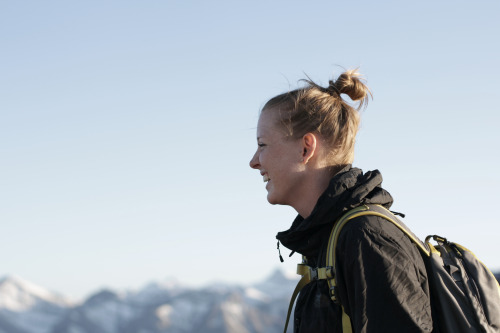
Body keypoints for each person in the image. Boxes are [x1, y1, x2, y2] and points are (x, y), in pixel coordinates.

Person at [249, 69, 433, 333]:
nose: (254, 161)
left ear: (306, 148)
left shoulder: (366, 239)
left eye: (262, 145)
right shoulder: (331, 240)